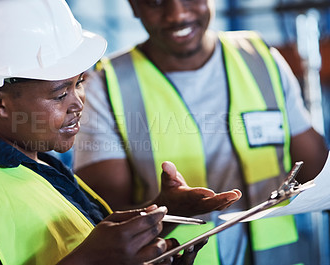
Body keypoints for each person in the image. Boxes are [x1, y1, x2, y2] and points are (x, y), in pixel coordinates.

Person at [0, 0, 242, 264]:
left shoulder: (40, 168)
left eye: (79, 83)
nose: (79, 103)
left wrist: (160, 218)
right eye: (59, 94)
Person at [73, 0, 329, 264]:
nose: (178, 14)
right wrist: (167, 208)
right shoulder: (105, 85)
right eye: (156, 2)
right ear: (134, 6)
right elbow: (101, 218)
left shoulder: (261, 59)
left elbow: (317, 169)